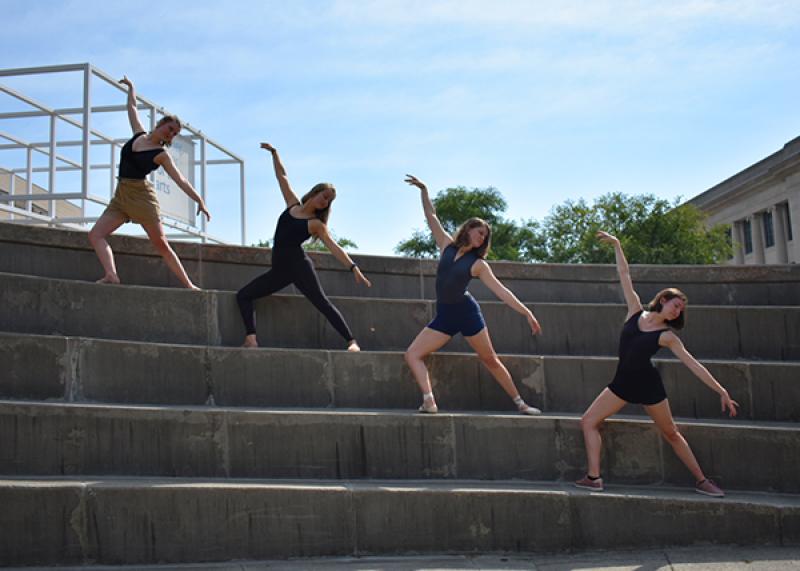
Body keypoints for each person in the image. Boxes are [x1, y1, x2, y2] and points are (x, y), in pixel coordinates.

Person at [575, 231, 739, 497]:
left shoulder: (667, 336)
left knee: (671, 433)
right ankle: (594, 478)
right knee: (587, 421)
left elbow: (693, 364)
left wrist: (721, 390)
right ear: (663, 300)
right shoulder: (635, 311)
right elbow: (625, 275)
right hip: (622, 384)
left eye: (680, 310)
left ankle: (702, 481)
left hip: (649, 387)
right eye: (676, 305)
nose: (677, 311)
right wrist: (617, 245)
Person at [403, 174, 543, 415]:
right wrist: (424, 191)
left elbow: (502, 291)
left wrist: (527, 312)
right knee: (412, 354)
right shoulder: (446, 245)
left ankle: (521, 404)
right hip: (445, 316)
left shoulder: (478, 264)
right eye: (479, 233)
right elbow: (431, 217)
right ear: (468, 230)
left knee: (490, 359)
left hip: (467, 313)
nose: (482, 238)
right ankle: (429, 401)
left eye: (485, 237)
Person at [236, 143, 371, 351]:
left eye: (329, 201)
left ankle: (352, 342)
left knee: (321, 302)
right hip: (279, 271)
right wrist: (275, 154)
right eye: (325, 196)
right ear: (315, 192)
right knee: (243, 295)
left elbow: (334, 247)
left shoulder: (316, 224)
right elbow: (282, 177)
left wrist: (354, 267)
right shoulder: (292, 203)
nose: (326, 202)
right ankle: (251, 339)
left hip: (299, 267)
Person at [88, 76, 211, 289]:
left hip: (142, 197)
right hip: (121, 196)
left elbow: (180, 180)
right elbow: (132, 108)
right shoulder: (138, 134)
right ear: (161, 124)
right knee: (96, 235)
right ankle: (111, 275)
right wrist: (131, 88)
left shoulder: (161, 155)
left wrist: (199, 200)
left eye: (174, 133)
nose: (170, 133)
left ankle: (189, 285)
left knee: (160, 243)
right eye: (170, 128)